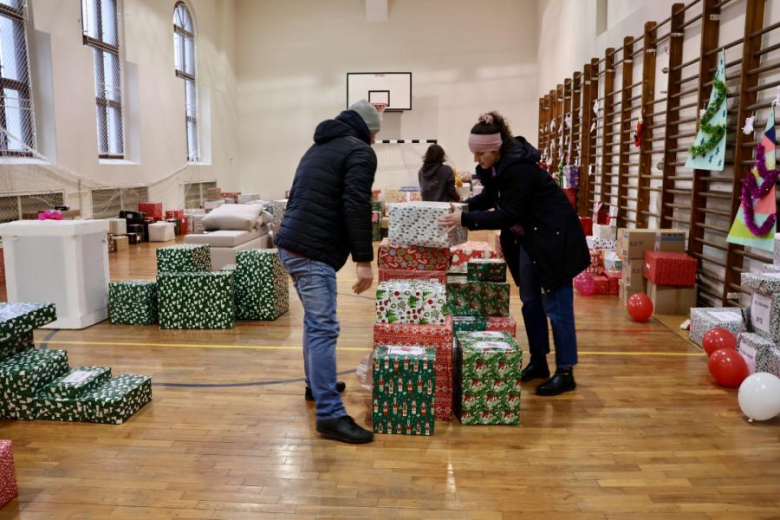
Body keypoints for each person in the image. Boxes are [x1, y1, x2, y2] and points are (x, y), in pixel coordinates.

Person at [440, 112, 590, 396]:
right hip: (528, 241)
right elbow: (490, 198)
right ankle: (538, 361)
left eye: (480, 154)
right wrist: (464, 207)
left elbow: (508, 213)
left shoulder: (521, 170)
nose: (476, 160)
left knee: (558, 308)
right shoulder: (496, 168)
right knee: (530, 302)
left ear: (496, 149)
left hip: (553, 242)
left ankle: (566, 371)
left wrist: (465, 221)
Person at [275, 99, 381, 443]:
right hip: (311, 249)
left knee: (314, 322)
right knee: (324, 326)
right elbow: (356, 205)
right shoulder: (360, 152)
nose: (376, 142)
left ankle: (315, 385)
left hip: (290, 242)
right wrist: (364, 261)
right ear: (367, 130)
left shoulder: (317, 147)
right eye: (376, 135)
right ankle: (330, 415)